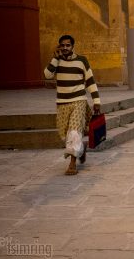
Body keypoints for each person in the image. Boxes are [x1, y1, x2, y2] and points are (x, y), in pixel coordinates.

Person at [44, 35, 101, 175]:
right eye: (62, 45)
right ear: (59, 47)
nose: (65, 48)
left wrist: (96, 101)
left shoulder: (82, 60)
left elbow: (90, 80)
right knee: (65, 135)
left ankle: (72, 164)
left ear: (72, 46)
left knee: (74, 132)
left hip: (79, 100)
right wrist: (55, 58)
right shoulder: (57, 62)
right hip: (62, 103)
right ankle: (81, 148)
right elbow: (47, 75)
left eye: (67, 45)